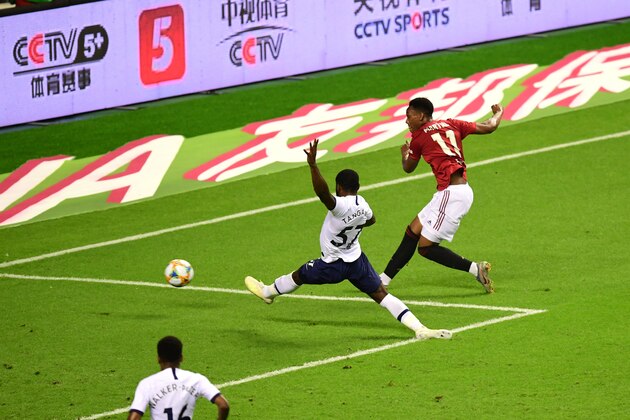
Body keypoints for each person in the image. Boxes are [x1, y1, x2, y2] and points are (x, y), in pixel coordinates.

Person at [245, 139, 451, 340]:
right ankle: (419, 328)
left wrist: (313, 165)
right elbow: (372, 220)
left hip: (333, 264)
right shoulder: (363, 205)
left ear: (339, 188)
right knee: (381, 294)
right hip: (356, 261)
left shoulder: (340, 206)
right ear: (358, 187)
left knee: (299, 275)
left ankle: (268, 292)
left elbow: (321, 192)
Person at [379, 97, 504, 293]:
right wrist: (498, 112)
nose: (406, 121)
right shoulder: (451, 123)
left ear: (421, 116)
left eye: (408, 116)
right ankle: (383, 281)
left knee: (425, 248)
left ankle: (475, 269)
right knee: (413, 231)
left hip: (452, 195)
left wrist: (405, 154)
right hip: (451, 192)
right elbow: (489, 126)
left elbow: (408, 168)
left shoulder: (419, 137)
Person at [128, 336, 229, 420]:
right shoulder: (197, 379)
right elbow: (224, 405)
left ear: (158, 358)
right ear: (181, 357)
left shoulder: (147, 383)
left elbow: (134, 418)